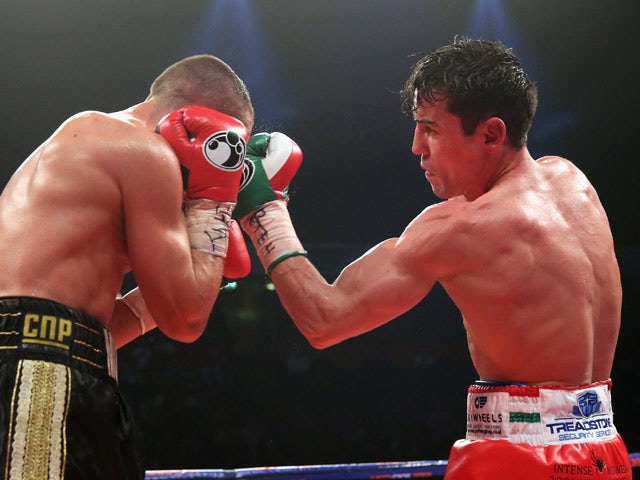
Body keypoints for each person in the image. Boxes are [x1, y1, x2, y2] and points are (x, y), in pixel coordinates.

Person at [235, 38, 631, 478]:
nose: (416, 147)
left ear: (491, 134)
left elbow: (324, 319)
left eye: (431, 129)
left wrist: (263, 214)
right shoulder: (574, 182)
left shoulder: (458, 228)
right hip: (603, 452)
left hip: (519, 460)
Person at [0, 54, 254, 479]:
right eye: (225, 150)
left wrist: (204, 269)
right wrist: (214, 205)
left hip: (49, 362)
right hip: (36, 378)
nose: (223, 164)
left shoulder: (88, 140)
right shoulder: (143, 149)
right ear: (195, 121)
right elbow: (187, 318)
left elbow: (93, 329)